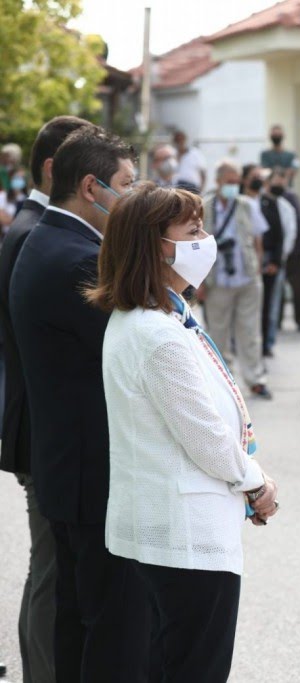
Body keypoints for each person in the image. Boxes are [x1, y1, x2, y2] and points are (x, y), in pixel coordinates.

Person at [86, 183, 278, 682]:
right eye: (193, 232)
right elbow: (205, 435)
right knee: (194, 668)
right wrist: (255, 482)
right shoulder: (157, 333)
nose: (206, 240)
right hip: (186, 536)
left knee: (171, 662)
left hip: (172, 531)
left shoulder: (157, 318)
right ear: (154, 246)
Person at [10, 126, 152, 680]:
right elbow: (139, 360)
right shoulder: (79, 258)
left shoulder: (54, 238)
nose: (133, 195)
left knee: (76, 621)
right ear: (92, 187)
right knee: (110, 631)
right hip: (93, 476)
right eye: (127, 184)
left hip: (70, 467)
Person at [0, 114, 90, 683]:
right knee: (51, 570)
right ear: (56, 169)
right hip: (43, 427)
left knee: (52, 568)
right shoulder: (35, 231)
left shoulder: (29, 225)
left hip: (39, 423)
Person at [201, 161, 272, 399]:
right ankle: (223, 381)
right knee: (217, 332)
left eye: (236, 182)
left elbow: (258, 240)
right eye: (229, 182)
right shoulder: (205, 208)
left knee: (250, 331)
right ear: (218, 181)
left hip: (246, 277)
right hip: (217, 279)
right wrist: (200, 282)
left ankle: (255, 379)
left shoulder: (247, 206)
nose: (233, 186)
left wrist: (257, 268)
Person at [260, 169, 297, 358]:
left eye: (284, 182)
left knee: (273, 306)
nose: (280, 185)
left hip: (277, 262)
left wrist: (279, 259)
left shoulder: (286, 207)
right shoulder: (259, 203)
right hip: (260, 262)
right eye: (277, 181)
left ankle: (268, 342)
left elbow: (289, 235)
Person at [279, 175, 300, 331]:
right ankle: (277, 321)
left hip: (296, 252)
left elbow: (299, 226)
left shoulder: (290, 197)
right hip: (278, 252)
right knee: (278, 290)